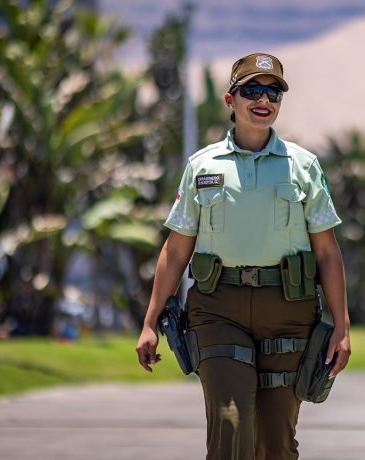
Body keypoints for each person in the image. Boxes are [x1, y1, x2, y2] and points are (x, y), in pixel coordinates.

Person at [135, 52, 351, 460]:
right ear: (230, 100)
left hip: (288, 310)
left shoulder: (304, 166)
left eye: (273, 92)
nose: (263, 99)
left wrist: (342, 326)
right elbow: (177, 247)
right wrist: (150, 322)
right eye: (251, 90)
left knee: (275, 443)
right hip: (218, 310)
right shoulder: (202, 166)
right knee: (230, 427)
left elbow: (327, 250)